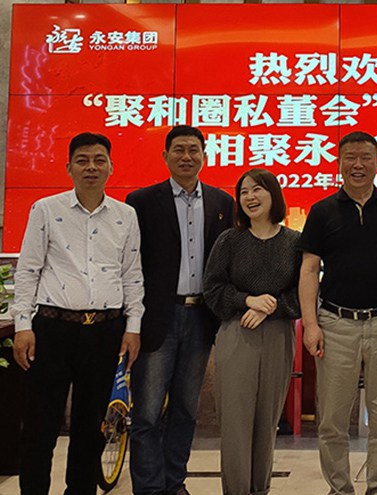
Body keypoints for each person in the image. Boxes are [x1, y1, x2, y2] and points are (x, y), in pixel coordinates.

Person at [11, 132, 144, 495]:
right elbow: (28, 270)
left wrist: (133, 326)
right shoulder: (45, 209)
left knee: (90, 430)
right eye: (82, 160)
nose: (91, 167)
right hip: (52, 329)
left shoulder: (125, 215)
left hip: (105, 331)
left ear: (111, 167)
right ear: (68, 167)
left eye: (99, 160)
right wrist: (23, 325)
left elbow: (132, 275)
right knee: (39, 428)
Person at [299, 131, 377, 495]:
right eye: (350, 158)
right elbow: (309, 269)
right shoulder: (322, 211)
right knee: (332, 419)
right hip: (335, 324)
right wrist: (311, 324)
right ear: (339, 163)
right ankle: (340, 489)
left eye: (365, 157)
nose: (358, 165)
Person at [125, 125, 234, 495]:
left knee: (186, 410)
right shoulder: (141, 201)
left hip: (201, 317)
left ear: (204, 155)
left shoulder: (222, 203)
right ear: (165, 156)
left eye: (193, 150)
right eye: (179, 150)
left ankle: (174, 484)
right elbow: (132, 262)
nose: (186, 157)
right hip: (158, 317)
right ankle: (148, 488)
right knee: (147, 412)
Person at [203, 169, 301, 495]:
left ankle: (260, 489)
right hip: (237, 332)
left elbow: (304, 293)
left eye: (257, 190)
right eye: (243, 192)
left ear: (274, 195)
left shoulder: (294, 242)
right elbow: (212, 289)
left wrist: (269, 307)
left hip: (278, 335)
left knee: (267, 421)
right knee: (235, 421)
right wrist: (247, 301)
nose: (250, 197)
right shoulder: (229, 240)